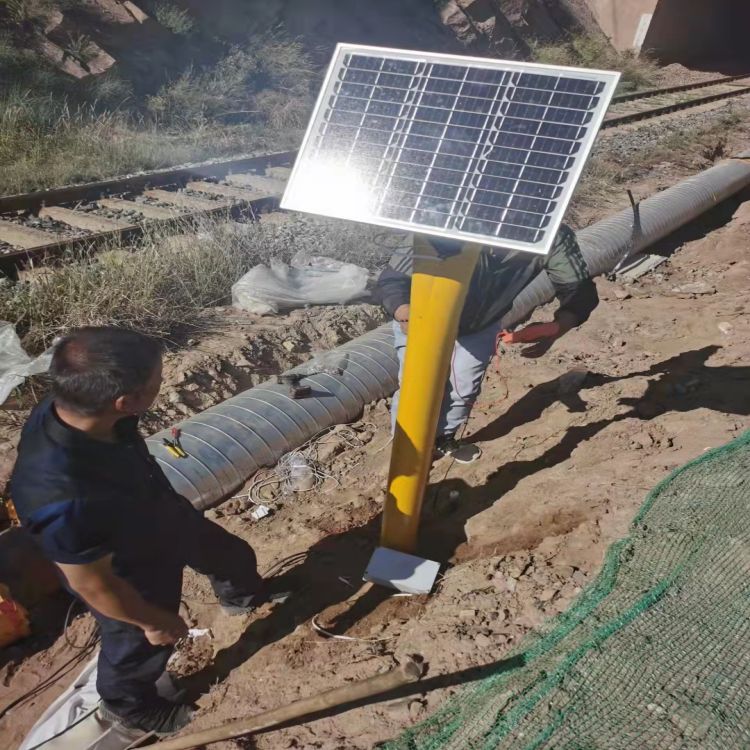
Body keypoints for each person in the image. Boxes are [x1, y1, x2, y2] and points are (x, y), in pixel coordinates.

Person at [9, 327, 285, 735]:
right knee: (133, 645)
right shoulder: (60, 497)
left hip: (152, 509)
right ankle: (131, 706)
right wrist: (151, 621)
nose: (163, 383)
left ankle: (243, 596)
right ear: (127, 401)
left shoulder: (78, 407)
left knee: (230, 555)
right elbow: (94, 586)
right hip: (123, 567)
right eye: (157, 381)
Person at [376, 225, 599, 463]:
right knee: (416, 387)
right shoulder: (442, 220)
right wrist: (404, 312)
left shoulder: (550, 232)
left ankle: (443, 439)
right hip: (423, 320)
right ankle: (405, 450)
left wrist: (557, 327)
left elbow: (579, 289)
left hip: (479, 326)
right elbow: (393, 280)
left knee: (464, 388)